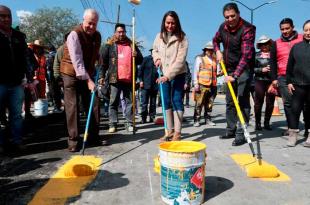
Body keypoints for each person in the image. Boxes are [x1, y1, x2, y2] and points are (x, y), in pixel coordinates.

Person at [213, 3, 255, 146]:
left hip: (243, 69)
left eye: (232, 16)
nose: (230, 19)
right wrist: (218, 51)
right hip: (228, 68)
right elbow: (215, 40)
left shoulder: (248, 29)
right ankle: (230, 129)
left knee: (242, 101)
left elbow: (246, 55)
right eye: (227, 17)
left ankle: (241, 134)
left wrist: (235, 75)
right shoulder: (222, 27)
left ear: (238, 13)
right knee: (230, 101)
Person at [60, 9, 102, 152]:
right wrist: (89, 81)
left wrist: (98, 57)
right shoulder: (74, 35)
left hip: (86, 72)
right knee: (73, 106)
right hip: (71, 72)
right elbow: (77, 62)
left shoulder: (97, 36)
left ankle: (93, 136)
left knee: (94, 102)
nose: (92, 27)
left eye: (95, 24)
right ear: (83, 20)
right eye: (89, 23)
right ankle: (73, 141)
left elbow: (95, 50)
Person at [0, 5, 36, 153]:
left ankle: (17, 141)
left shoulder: (19, 36)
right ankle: (1, 144)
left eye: (8, 16)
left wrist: (29, 78)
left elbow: (27, 59)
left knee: (16, 114)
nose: (6, 18)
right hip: (0, 83)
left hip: (17, 83)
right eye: (2, 16)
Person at [152, 10, 189, 141]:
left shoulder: (183, 38)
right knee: (165, 101)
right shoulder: (159, 36)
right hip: (162, 73)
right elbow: (154, 50)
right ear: (164, 22)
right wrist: (156, 58)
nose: (170, 25)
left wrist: (168, 76)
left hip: (177, 74)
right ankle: (169, 130)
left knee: (176, 100)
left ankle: (178, 132)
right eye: (168, 22)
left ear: (177, 23)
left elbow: (180, 60)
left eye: (173, 23)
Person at [101, 23, 143, 133]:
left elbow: (140, 60)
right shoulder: (109, 45)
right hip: (115, 78)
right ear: (115, 32)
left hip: (129, 79)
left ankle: (129, 123)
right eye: (119, 32)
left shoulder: (131, 44)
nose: (121, 33)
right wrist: (101, 76)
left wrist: (136, 55)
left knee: (130, 102)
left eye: (123, 31)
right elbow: (103, 62)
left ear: (125, 32)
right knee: (113, 101)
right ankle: (113, 124)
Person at [270, 18, 304, 136]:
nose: (284, 31)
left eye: (287, 28)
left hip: (301, 76)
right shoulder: (276, 43)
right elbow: (272, 62)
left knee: (305, 103)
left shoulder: (302, 38)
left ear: (293, 27)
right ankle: (291, 128)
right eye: (282, 29)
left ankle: (307, 129)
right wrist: (274, 78)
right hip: (283, 76)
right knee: (288, 103)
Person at [286, 20, 310, 147]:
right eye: (306, 30)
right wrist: (289, 81)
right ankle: (293, 134)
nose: (308, 33)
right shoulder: (296, 47)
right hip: (298, 85)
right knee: (294, 110)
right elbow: (289, 66)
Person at [193, 41, 217, 127]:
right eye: (208, 50)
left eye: (211, 50)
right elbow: (195, 72)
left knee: (210, 104)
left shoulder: (215, 60)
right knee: (199, 103)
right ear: (205, 50)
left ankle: (208, 119)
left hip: (213, 85)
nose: (210, 51)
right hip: (202, 84)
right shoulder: (200, 59)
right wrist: (195, 84)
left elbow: (216, 72)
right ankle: (196, 120)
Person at [253, 35, 275, 131]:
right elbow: (251, 69)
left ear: (270, 44)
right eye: (262, 44)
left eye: (266, 44)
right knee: (258, 103)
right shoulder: (256, 55)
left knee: (270, 103)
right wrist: (261, 69)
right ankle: (258, 123)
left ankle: (267, 123)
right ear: (259, 45)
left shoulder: (274, 55)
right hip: (259, 81)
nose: (264, 46)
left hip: (271, 81)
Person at [138, 49, 158, 124]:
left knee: (153, 103)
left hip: (155, 85)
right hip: (145, 85)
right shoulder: (146, 59)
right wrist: (140, 80)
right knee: (144, 103)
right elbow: (140, 70)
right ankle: (143, 118)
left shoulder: (159, 61)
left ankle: (152, 117)